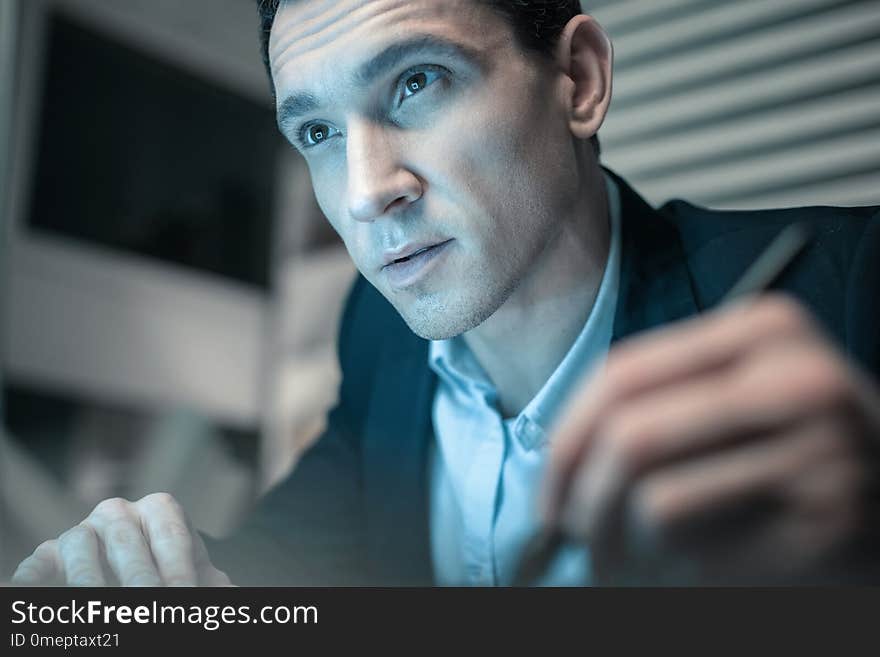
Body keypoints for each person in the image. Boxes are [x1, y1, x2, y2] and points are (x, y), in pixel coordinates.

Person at [11, 0, 880, 586]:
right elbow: (294, 555)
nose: (362, 191)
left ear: (578, 78)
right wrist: (162, 579)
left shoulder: (849, 291)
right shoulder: (380, 332)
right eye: (315, 130)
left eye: (417, 81)